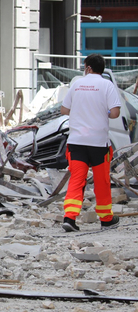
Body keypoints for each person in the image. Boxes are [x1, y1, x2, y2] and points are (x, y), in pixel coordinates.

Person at [60, 53, 121, 232]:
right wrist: (103, 112)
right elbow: (115, 113)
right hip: (99, 143)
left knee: (77, 180)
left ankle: (69, 218)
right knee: (101, 181)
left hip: (77, 142)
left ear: (88, 68)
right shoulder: (107, 85)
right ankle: (106, 219)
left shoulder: (77, 83)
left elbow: (64, 109)